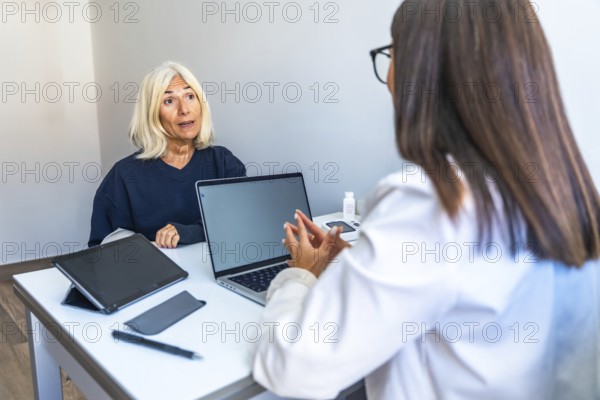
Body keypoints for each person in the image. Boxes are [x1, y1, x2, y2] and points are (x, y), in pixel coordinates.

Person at [253, 0, 600, 399]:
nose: (388, 77)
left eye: (392, 54)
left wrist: (300, 276)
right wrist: (356, 266)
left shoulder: (434, 200)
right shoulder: (564, 188)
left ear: (424, 70)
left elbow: (292, 368)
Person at [88, 61, 245, 248]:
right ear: (152, 113)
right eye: (169, 101)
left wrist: (188, 232)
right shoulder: (124, 175)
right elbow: (100, 250)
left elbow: (240, 224)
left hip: (212, 276)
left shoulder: (224, 163)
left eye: (189, 96)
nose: (184, 109)